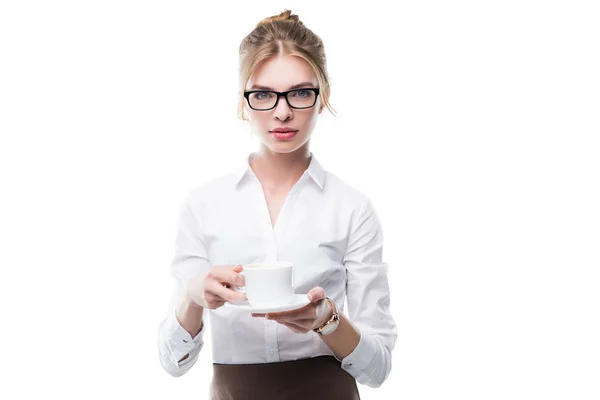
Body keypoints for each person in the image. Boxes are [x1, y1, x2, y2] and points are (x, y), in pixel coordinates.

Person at [157, 9, 397, 399]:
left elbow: (378, 368)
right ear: (243, 103)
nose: (282, 111)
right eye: (264, 95)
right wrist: (192, 296)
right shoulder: (204, 205)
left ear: (323, 98)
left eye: (301, 92)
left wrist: (327, 320)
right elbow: (172, 362)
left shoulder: (352, 209)